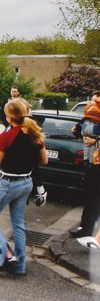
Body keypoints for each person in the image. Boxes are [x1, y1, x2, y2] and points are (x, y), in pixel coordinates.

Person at [0, 98, 48, 275]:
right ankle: (20, 266)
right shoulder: (35, 134)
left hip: (8, 183)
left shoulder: (5, 136)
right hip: (27, 182)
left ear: (9, 117)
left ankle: (6, 255)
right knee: (18, 223)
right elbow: (44, 160)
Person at [69, 91, 100, 239]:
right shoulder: (88, 119)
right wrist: (76, 131)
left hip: (98, 163)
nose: (93, 104)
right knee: (90, 197)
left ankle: (88, 230)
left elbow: (94, 138)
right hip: (89, 163)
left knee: (94, 198)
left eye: (96, 101)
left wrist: (96, 141)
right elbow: (80, 132)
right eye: (92, 101)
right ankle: (85, 228)